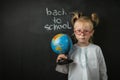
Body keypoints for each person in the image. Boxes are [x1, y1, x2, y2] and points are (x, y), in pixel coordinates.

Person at [55, 12, 108, 80]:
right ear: (74, 32)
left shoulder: (96, 49)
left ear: (91, 32)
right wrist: (61, 61)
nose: (82, 34)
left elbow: (102, 70)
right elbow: (64, 70)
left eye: (86, 31)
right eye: (79, 31)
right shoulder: (70, 49)